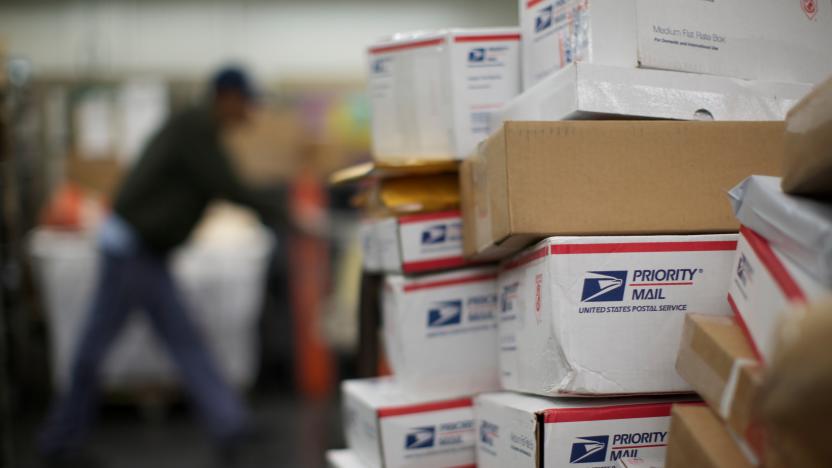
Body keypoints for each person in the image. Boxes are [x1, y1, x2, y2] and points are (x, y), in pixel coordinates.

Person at [38, 67, 288, 467]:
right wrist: (289, 214)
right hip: (131, 251)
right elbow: (229, 185)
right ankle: (59, 440)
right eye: (246, 102)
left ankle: (230, 424)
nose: (250, 112)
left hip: (145, 253)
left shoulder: (195, 128)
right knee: (94, 348)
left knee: (185, 340)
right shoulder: (194, 130)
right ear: (226, 97)